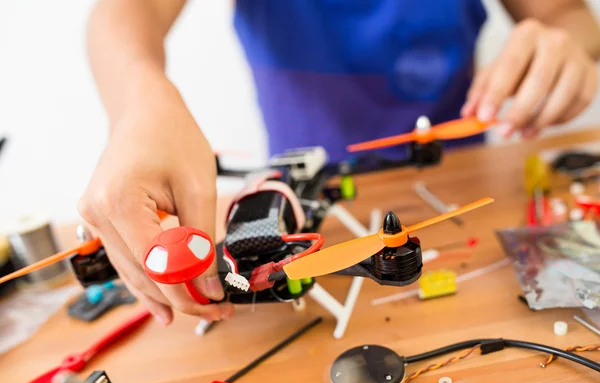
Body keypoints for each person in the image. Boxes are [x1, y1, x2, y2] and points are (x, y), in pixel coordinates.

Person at [81, 0, 600, 326]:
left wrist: (572, 43)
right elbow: (126, 9)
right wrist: (140, 99)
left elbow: (565, 14)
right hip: (301, 177)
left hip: (460, 181)